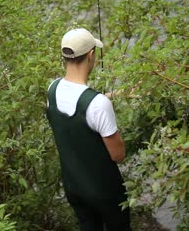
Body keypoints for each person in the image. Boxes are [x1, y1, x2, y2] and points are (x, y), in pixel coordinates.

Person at [46, 28, 131, 231]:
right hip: (105, 192)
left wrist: (118, 94)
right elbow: (118, 155)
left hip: (74, 187)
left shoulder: (53, 89)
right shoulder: (98, 104)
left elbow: (79, 106)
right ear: (91, 55)